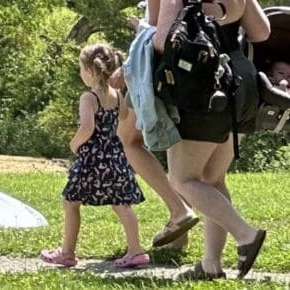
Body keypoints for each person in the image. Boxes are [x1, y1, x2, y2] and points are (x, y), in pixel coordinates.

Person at [149, 0, 270, 280]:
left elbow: (162, 40)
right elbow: (261, 32)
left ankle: (246, 235)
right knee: (211, 179)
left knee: (182, 179)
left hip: (202, 87)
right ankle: (211, 265)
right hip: (241, 85)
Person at [40, 43, 150, 268]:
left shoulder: (88, 98)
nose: (80, 73)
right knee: (121, 203)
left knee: (70, 202)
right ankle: (136, 250)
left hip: (91, 160)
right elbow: (125, 115)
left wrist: (74, 144)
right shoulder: (117, 95)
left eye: (81, 69)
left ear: (90, 71)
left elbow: (87, 129)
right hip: (115, 157)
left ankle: (67, 253)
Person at [111, 1, 199, 249]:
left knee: (128, 140)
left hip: (160, 72)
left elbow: (158, 33)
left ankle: (178, 210)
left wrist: (127, 65)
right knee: (178, 153)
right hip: (200, 71)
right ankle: (179, 239)